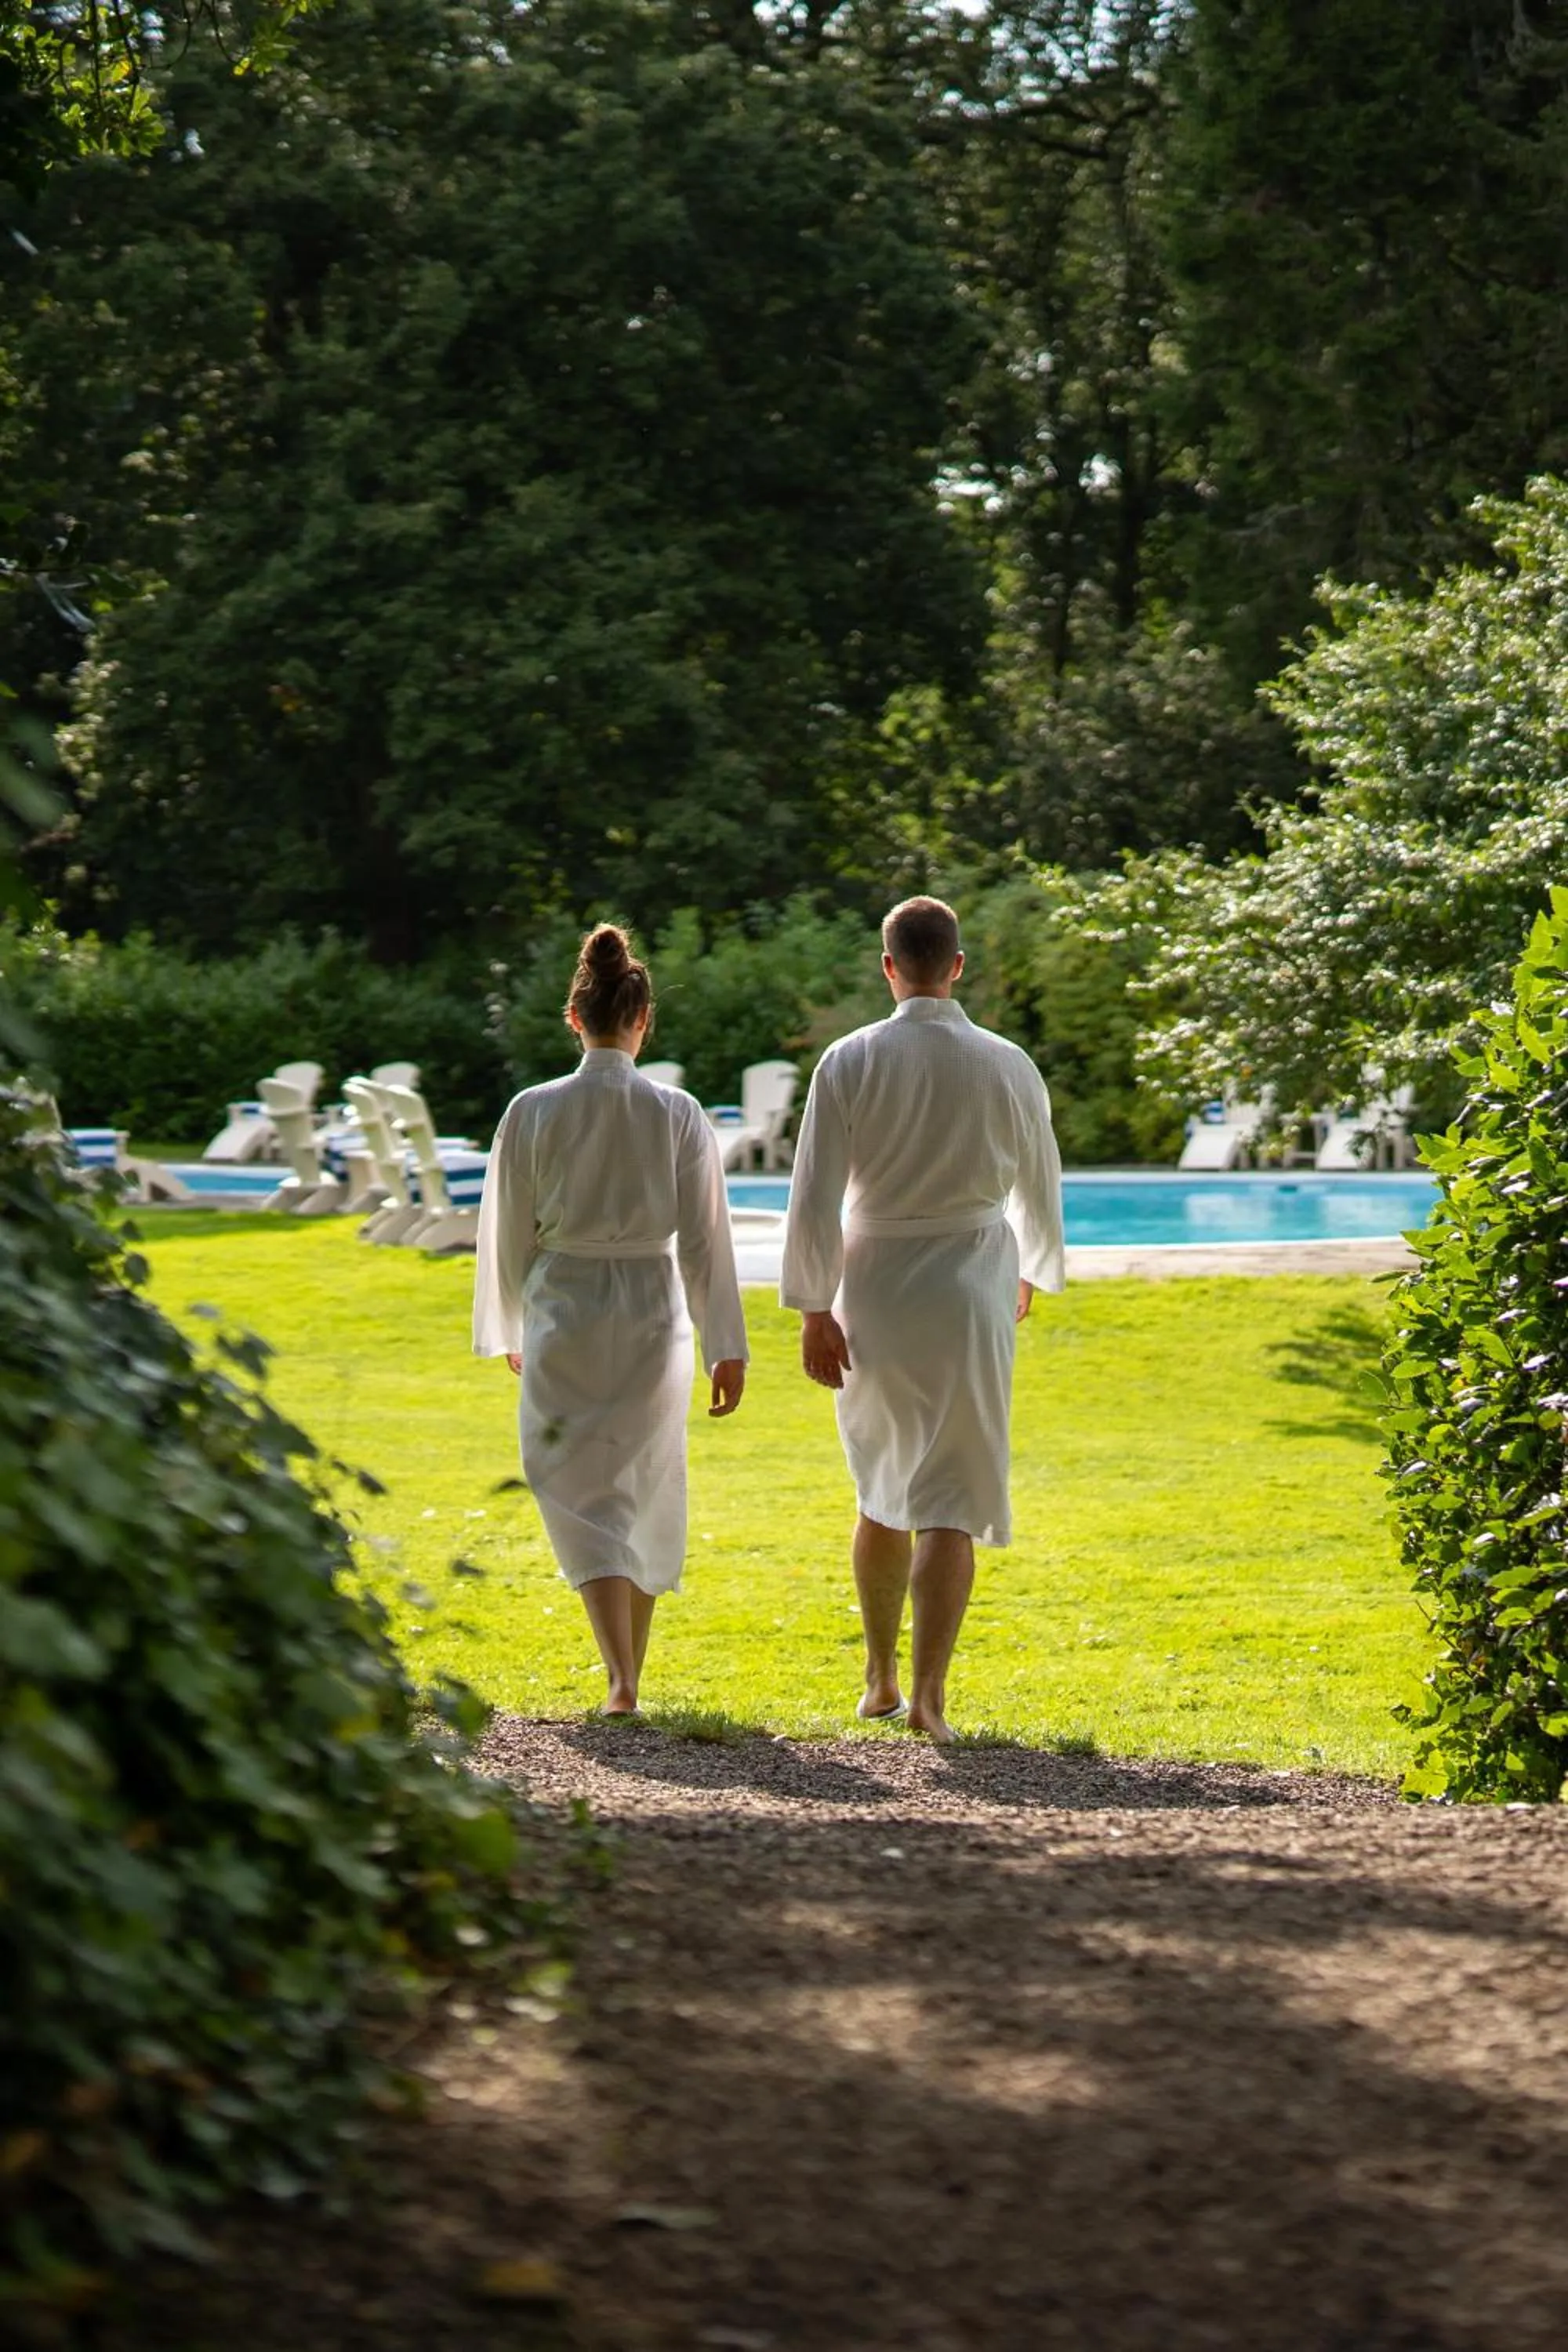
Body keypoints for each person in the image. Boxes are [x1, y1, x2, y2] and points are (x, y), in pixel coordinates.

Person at [780, 895, 1064, 1744]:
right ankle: (931, 1695)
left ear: (888, 967)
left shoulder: (849, 1059)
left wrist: (811, 1305)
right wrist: (1032, 1267)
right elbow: (1039, 1181)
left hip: (873, 1285)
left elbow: (813, 1191)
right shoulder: (1007, 1063)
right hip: (970, 1279)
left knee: (881, 1488)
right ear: (957, 965)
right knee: (953, 1493)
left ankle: (878, 1679)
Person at [473, 924, 748, 1715]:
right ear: (642, 1020)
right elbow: (706, 1240)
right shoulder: (678, 1112)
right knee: (645, 1476)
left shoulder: (531, 1111)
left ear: (573, 1018)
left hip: (565, 1303)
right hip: (653, 1308)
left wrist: (510, 1326)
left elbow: (507, 1230)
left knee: (571, 1478)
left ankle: (620, 1675)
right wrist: (724, 1346)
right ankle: (627, 1675)